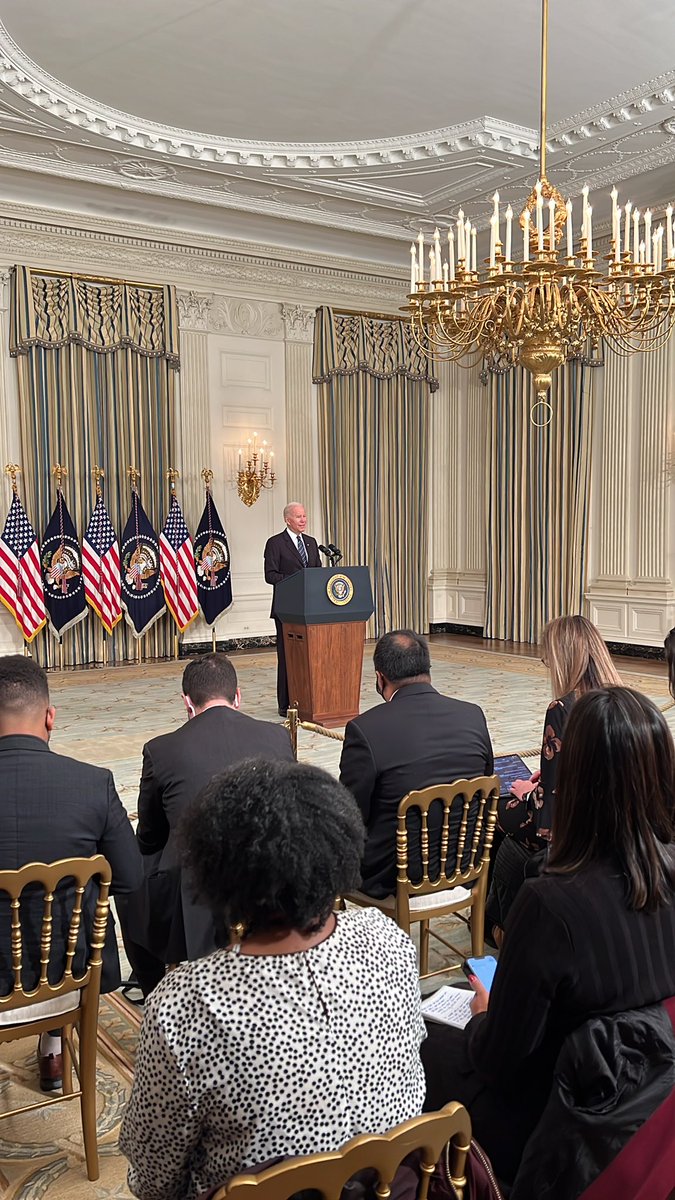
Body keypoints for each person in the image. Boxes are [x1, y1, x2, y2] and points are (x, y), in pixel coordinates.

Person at [120, 759, 426, 1200]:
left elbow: (154, 1179)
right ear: (339, 846)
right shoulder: (388, 941)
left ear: (217, 870)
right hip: (391, 1186)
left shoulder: (186, 1005)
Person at [422, 686, 675, 1185]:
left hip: (561, 1112)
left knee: (424, 1044)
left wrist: (482, 1016)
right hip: (650, 1095)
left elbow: (500, 1060)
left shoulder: (550, 904)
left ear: (574, 782)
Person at [0, 655, 142, 1091]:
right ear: (49, 717)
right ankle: (53, 1049)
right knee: (58, 925)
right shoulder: (92, 783)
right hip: (66, 978)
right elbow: (130, 878)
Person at [121, 653, 294, 996]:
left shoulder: (161, 750)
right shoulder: (277, 736)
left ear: (187, 703)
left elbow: (150, 837)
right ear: (238, 696)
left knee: (129, 882)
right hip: (271, 879)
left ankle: (156, 989)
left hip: (196, 893)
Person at [339, 630, 494, 898]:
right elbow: (485, 782)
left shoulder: (365, 729)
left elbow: (349, 814)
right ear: (427, 669)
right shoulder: (472, 715)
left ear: (380, 677)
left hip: (391, 875)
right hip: (463, 863)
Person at [501, 615, 621, 847]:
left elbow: (551, 808)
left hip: (577, 832)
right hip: (615, 825)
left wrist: (528, 794)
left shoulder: (563, 709)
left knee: (497, 812)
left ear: (561, 661)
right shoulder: (629, 701)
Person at [263, 502, 321, 715]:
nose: (303, 520)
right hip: (287, 610)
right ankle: (285, 703)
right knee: (288, 656)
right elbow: (270, 575)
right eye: (299, 517)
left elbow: (317, 573)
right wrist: (296, 580)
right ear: (288, 519)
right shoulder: (275, 543)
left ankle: (309, 699)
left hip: (311, 609)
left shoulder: (312, 543)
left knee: (309, 655)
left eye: (304, 516)